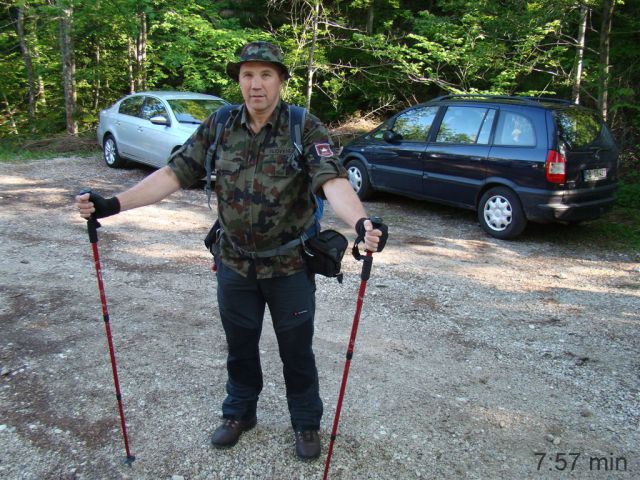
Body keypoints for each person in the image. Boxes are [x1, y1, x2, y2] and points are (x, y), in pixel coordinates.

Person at [76, 41, 388, 460]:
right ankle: (239, 412)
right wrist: (114, 204)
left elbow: (331, 181)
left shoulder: (303, 126)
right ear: (238, 79)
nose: (255, 84)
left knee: (296, 348)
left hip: (290, 265)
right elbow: (174, 173)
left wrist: (361, 222)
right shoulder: (220, 124)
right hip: (234, 262)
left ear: (280, 81)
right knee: (240, 344)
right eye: (247, 74)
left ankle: (305, 421)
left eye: (265, 75)